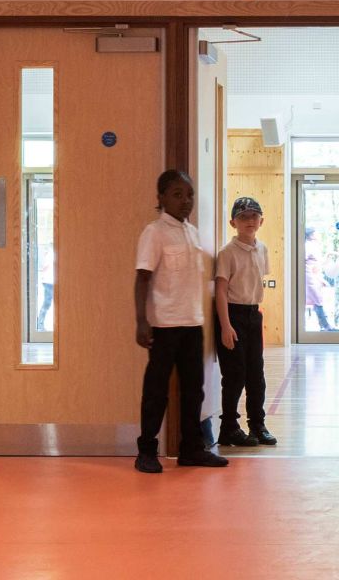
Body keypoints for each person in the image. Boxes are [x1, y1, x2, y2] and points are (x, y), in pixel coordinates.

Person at [133, 169, 229, 474]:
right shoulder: (154, 233)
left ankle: (191, 449)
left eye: (189, 195)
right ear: (160, 198)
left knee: (194, 390)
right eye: (177, 194)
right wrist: (141, 321)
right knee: (156, 391)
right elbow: (142, 278)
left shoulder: (192, 231)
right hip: (163, 326)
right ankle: (146, 450)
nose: (185, 201)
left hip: (192, 324)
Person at [214, 196, 277, 447]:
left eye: (254, 216)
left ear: (261, 221)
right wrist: (226, 325)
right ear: (233, 222)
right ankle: (228, 426)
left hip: (253, 315)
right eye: (243, 217)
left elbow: (257, 282)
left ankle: (257, 425)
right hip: (233, 315)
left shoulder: (262, 249)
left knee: (256, 374)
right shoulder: (227, 253)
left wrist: (255, 316)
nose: (249, 221)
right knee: (234, 375)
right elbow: (220, 290)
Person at [304, 227, 333, 331]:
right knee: (317, 300)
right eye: (316, 233)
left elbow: (318, 263)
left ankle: (324, 326)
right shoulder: (308, 245)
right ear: (311, 235)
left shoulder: (314, 246)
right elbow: (303, 260)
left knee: (317, 300)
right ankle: (326, 326)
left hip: (314, 277)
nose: (318, 235)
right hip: (310, 277)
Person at [35, 245, 54, 331]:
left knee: (47, 303)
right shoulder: (50, 253)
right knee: (47, 303)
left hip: (49, 280)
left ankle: (40, 324)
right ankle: (40, 324)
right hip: (49, 281)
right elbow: (44, 267)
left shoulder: (50, 253)